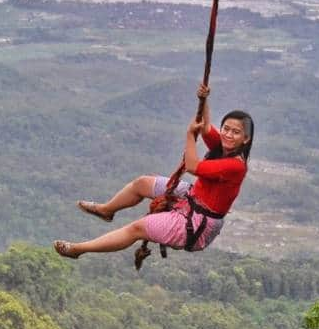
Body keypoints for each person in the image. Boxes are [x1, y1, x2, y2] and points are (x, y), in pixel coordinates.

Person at [53, 84, 253, 259]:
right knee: (142, 183)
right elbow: (206, 127)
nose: (228, 134)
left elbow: (193, 166)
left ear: (245, 139)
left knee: (137, 228)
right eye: (226, 128)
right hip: (192, 197)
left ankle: (79, 249)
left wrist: (189, 135)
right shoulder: (223, 147)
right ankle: (107, 210)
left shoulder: (236, 166)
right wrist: (204, 99)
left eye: (235, 132)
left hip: (199, 221)